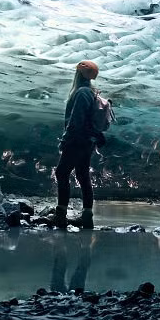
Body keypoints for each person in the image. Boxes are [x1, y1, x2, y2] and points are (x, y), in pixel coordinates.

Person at [51, 60, 101, 230]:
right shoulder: (92, 92)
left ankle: (60, 215)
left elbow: (76, 121)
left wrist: (66, 140)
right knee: (82, 175)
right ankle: (87, 216)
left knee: (61, 173)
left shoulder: (81, 93)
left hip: (77, 141)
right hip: (88, 142)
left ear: (78, 73)